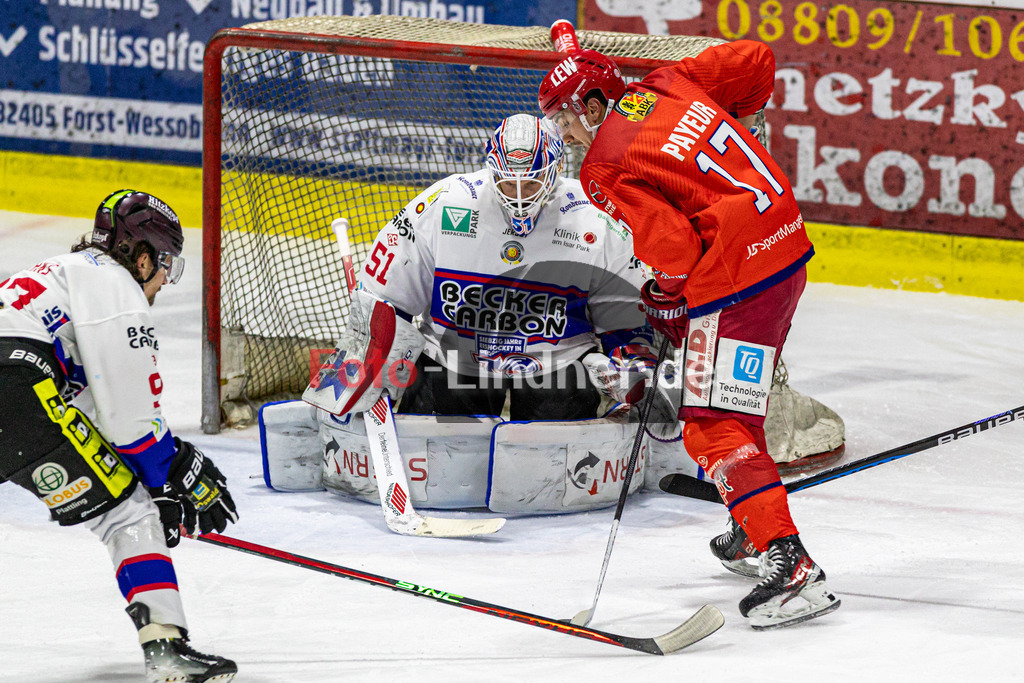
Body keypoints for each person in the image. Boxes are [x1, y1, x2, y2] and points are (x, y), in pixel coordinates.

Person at [538, 40, 841, 629]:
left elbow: (674, 249)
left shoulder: (603, 165)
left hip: (736, 281)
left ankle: (792, 565)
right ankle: (753, 523)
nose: (566, 135)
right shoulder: (668, 82)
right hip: (784, 247)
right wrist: (733, 127)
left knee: (711, 424)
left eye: (566, 119)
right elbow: (757, 60)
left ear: (593, 106)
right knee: (737, 405)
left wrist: (666, 295)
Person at [0, 190, 240, 681]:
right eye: (165, 264)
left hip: (20, 381)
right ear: (143, 257)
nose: (163, 281)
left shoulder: (64, 278)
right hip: (16, 385)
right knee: (127, 513)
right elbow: (131, 425)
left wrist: (158, 485)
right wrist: (173, 469)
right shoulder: (114, 285)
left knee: (130, 499)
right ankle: (167, 652)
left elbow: (96, 425)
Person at [306, 113, 658, 423]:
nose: (519, 196)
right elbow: (383, 299)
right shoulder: (447, 202)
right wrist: (367, 367)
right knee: (438, 439)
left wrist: (626, 366)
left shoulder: (596, 216)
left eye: (531, 182)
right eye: (507, 182)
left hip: (557, 364)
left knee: (557, 441)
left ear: (556, 170)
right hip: (455, 356)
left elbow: (626, 315)